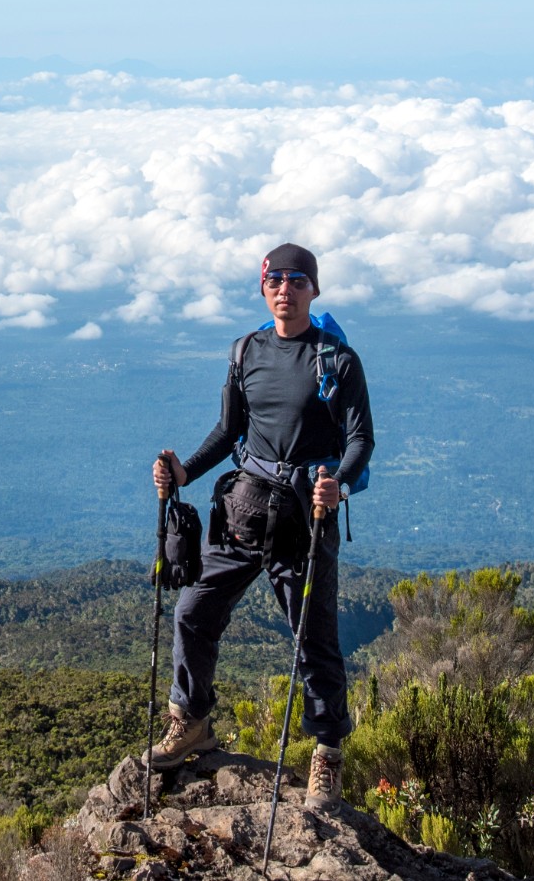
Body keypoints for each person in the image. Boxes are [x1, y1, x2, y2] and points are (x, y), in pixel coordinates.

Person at [145, 242, 375, 807]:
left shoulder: (336, 361)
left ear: (313, 289)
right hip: (245, 511)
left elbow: (360, 440)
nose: (286, 288)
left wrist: (337, 483)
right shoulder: (245, 352)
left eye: (298, 280)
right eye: (276, 279)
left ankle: (327, 754)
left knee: (314, 640)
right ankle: (191, 721)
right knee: (193, 612)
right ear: (263, 286)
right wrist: (183, 474)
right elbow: (228, 433)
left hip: (306, 518)